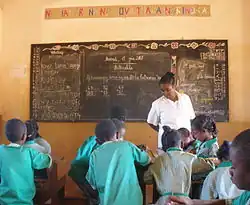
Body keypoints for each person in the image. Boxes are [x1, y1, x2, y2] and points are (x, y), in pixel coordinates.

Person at [166, 129, 250, 205]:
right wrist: (192, 203)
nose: (230, 171)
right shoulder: (246, 195)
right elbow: (229, 202)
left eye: (234, 166)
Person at [144, 126, 214, 205]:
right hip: (183, 201)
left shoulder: (158, 160)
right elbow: (210, 166)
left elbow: (147, 178)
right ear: (182, 143)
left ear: (163, 146)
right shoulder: (189, 158)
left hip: (164, 201)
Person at [86, 119, 150, 205]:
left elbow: (92, 184)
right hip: (132, 201)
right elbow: (146, 160)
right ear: (117, 134)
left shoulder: (94, 155)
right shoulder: (127, 145)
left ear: (97, 141)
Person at [68, 118, 126, 205]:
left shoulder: (96, 139)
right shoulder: (101, 149)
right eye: (120, 136)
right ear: (114, 134)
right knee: (98, 195)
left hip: (78, 171)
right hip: (82, 175)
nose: (121, 140)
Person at [0, 118, 52, 205]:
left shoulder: (1, 151)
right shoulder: (29, 152)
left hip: (3, 201)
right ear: (24, 136)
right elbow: (47, 161)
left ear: (6, 135)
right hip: (25, 201)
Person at [147, 72, 195, 148]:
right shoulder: (157, 104)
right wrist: (164, 132)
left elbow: (191, 118)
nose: (165, 93)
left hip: (186, 143)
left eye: (168, 90)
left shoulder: (185, 99)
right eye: (163, 91)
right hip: (167, 144)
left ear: (174, 86)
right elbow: (151, 122)